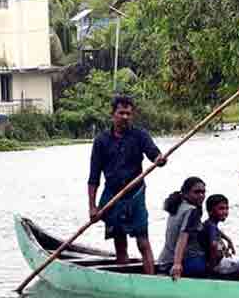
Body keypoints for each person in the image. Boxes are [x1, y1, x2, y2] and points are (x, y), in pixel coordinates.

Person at [87, 94, 166, 274]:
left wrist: (159, 159)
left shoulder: (140, 135)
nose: (125, 117)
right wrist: (92, 207)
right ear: (112, 114)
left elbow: (153, 152)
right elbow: (93, 177)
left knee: (142, 241)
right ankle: (123, 278)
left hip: (135, 194)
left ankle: (150, 280)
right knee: (119, 241)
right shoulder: (101, 141)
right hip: (113, 195)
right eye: (121, 113)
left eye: (128, 114)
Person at [156, 176, 208, 279]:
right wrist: (177, 264)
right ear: (185, 193)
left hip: (164, 260)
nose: (201, 195)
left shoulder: (177, 206)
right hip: (180, 262)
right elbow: (183, 237)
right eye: (196, 192)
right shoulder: (192, 210)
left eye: (203, 192)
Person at [200, 194, 239, 281]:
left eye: (227, 208)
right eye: (221, 209)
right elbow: (213, 245)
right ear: (210, 211)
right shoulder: (212, 226)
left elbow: (217, 232)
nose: (225, 212)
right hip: (217, 265)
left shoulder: (208, 223)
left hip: (217, 262)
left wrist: (228, 240)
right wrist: (213, 267)